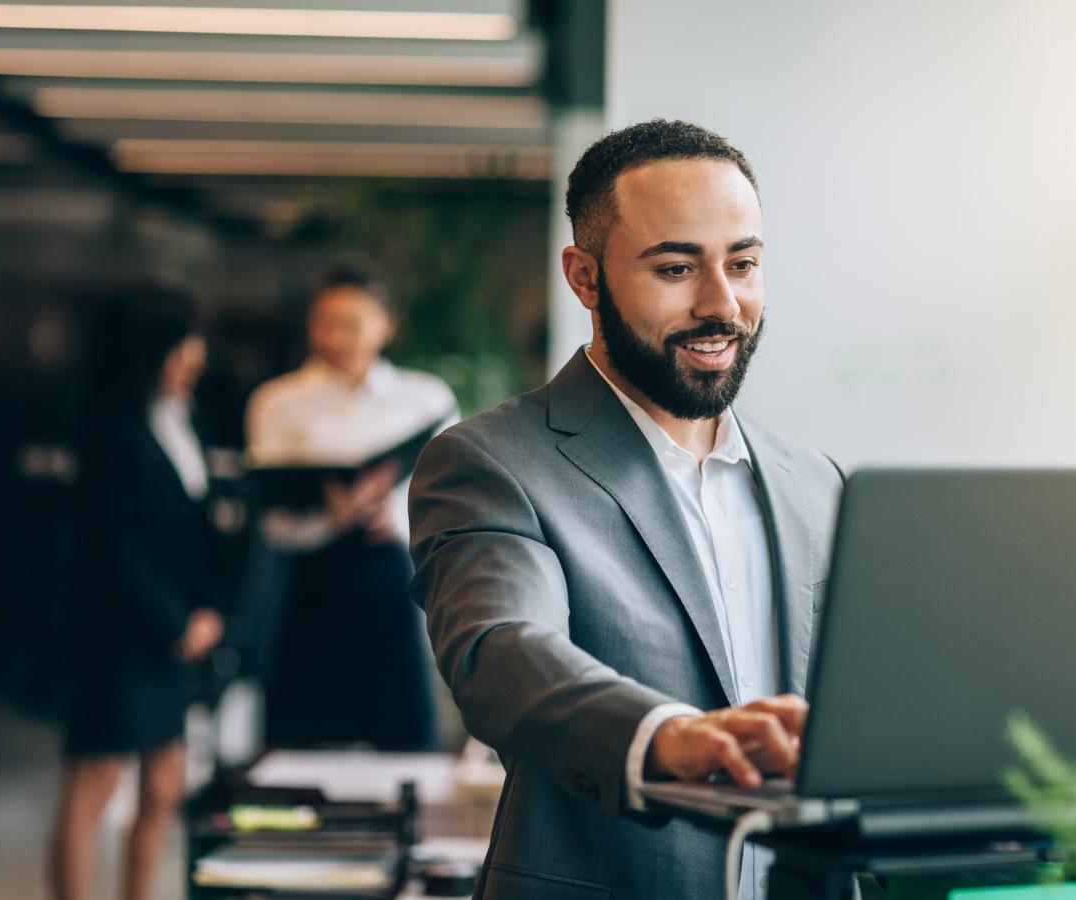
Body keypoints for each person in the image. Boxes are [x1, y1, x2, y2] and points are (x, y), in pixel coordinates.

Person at [409, 120, 844, 899]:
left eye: (742, 263)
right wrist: (671, 738)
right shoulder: (493, 463)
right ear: (584, 277)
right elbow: (502, 651)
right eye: (676, 267)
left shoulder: (818, 485)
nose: (723, 305)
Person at [51, 286, 225, 900]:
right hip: (122, 632)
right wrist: (174, 621)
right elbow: (112, 545)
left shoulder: (183, 419)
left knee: (165, 783)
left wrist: (204, 612)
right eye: (185, 342)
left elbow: (192, 530)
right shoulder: (110, 430)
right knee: (95, 780)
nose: (195, 356)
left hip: (173, 633)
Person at [246, 262, 457, 750]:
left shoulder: (425, 399)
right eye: (326, 322)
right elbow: (271, 513)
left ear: (387, 324)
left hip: (393, 575)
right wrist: (328, 515)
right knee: (299, 741)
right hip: (311, 580)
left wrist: (397, 516)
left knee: (403, 737)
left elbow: (453, 500)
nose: (338, 336)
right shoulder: (276, 401)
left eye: (353, 322)